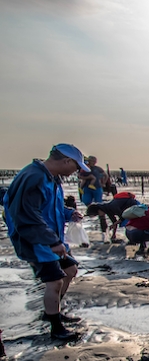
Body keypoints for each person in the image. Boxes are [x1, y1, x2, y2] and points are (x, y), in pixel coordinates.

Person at [3, 144, 87, 340]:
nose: (77, 171)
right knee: (55, 280)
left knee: (70, 271)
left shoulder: (51, 178)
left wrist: (68, 213)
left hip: (51, 237)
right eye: (76, 166)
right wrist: (51, 241)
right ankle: (56, 328)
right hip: (36, 239)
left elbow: (49, 208)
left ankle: (53, 311)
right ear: (66, 161)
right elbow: (26, 214)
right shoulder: (34, 177)